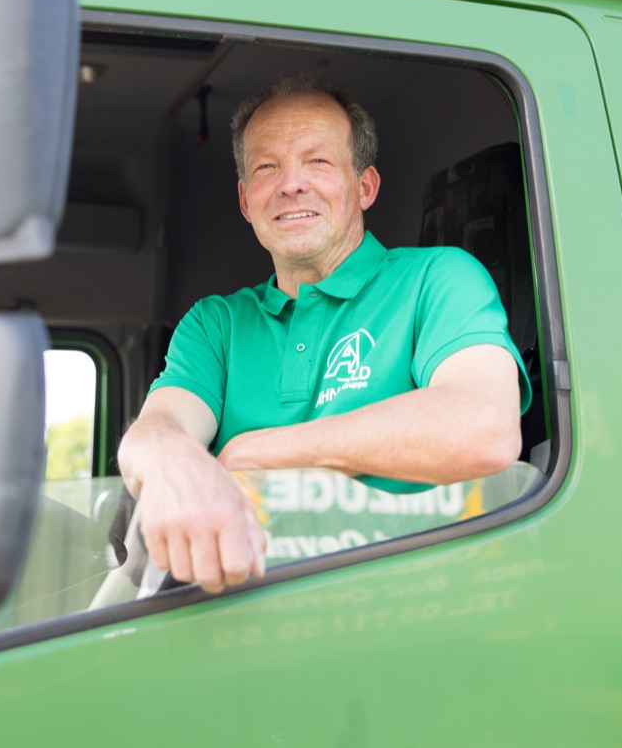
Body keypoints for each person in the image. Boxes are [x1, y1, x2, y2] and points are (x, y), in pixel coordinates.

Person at [117, 73, 530, 594]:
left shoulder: (438, 279)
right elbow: (158, 429)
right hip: (235, 615)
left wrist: (253, 455)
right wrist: (173, 459)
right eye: (268, 167)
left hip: (407, 604)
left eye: (318, 162)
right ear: (246, 202)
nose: (292, 183)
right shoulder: (215, 323)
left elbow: (483, 428)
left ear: (364, 186)